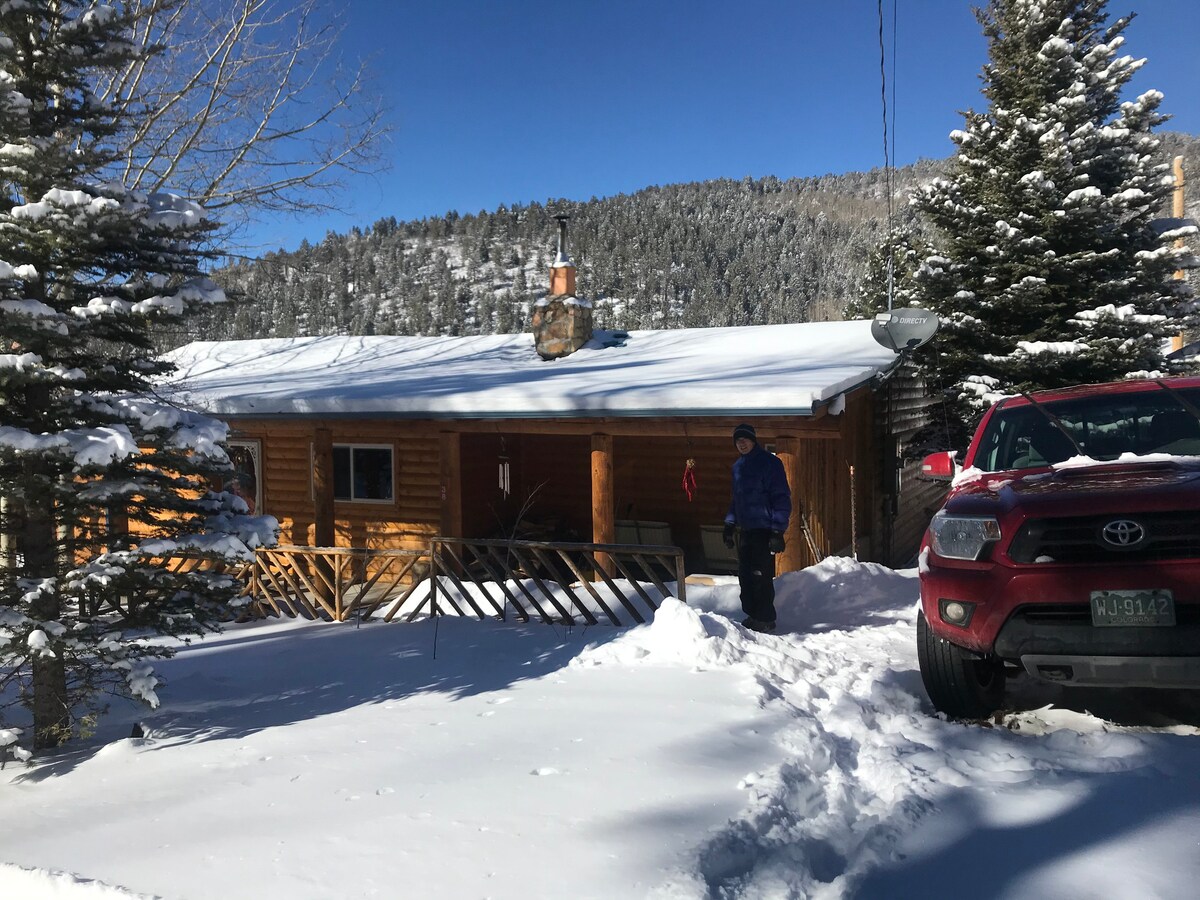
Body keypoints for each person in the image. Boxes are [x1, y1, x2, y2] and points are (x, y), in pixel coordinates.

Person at [723, 423, 791, 632]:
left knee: (760, 575)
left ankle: (765, 618)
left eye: (745, 439)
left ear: (753, 440)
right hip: (746, 530)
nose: (741, 444)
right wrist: (729, 524)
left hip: (765, 530)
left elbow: (781, 497)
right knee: (745, 575)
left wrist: (777, 531)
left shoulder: (770, 464)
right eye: (738, 441)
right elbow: (737, 500)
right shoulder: (738, 467)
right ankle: (753, 614)